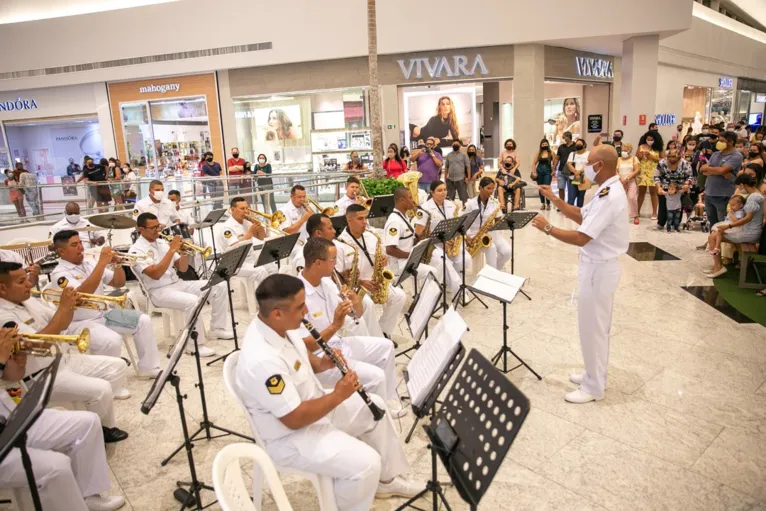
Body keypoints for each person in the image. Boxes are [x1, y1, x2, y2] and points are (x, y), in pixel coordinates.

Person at [236, 274, 421, 510]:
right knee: (367, 463)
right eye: (300, 307)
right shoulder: (262, 361)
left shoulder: (276, 324)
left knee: (376, 406)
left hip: (312, 406)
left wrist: (324, 364)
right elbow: (294, 419)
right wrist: (337, 396)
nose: (305, 312)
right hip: (290, 437)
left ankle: (385, 482)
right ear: (277, 313)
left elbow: (299, 349)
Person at [530, 145, 628, 403]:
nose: (583, 166)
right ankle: (593, 374)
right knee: (592, 327)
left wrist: (548, 228)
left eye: (589, 162)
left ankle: (594, 387)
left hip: (599, 268)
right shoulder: (604, 190)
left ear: (600, 166)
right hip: (596, 266)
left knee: (593, 328)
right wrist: (554, 199)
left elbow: (583, 236)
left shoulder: (611, 196)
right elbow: (582, 216)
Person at [0, 261, 130, 441]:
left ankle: (95, 422)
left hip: (62, 359)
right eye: (21, 281)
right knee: (102, 389)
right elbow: (40, 344)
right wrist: (63, 307)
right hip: (41, 376)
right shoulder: (3, 317)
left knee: (118, 367)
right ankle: (98, 431)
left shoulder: (28, 300)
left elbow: (63, 324)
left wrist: (70, 306)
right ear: (2, 289)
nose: (29, 283)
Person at [0, 327, 125, 511]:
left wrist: (15, 365)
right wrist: (1, 360)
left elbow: (11, 378)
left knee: (89, 423)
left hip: (12, 415)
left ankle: (90, 495)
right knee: (57, 467)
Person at [297, 238, 403, 413]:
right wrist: (334, 326)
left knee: (386, 347)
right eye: (333, 260)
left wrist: (356, 302)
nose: (336, 265)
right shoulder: (297, 295)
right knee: (376, 377)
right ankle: (376, 415)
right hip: (319, 359)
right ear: (317, 262)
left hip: (337, 344)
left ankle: (388, 399)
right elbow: (304, 345)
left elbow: (355, 316)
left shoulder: (327, 283)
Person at [49, 232, 161, 378]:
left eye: (81, 243)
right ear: (61, 251)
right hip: (79, 323)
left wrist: (117, 265)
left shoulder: (89, 264)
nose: (80, 248)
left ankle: (148, 368)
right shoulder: (59, 275)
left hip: (103, 314)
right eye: (74, 245)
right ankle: (111, 381)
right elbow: (81, 296)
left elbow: (117, 282)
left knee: (143, 320)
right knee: (112, 340)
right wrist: (102, 263)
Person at [129, 212, 232, 357]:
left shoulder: (162, 242)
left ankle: (217, 328)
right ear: (141, 229)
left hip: (177, 283)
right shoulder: (136, 250)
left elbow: (182, 268)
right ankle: (194, 345)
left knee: (219, 285)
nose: (157, 230)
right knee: (192, 301)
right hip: (158, 292)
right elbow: (156, 274)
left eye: (158, 226)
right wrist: (172, 250)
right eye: (152, 228)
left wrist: (184, 252)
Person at [295, 213, 384, 340]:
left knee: (364, 308)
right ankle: (367, 342)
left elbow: (328, 276)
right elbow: (313, 282)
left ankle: (374, 340)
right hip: (322, 302)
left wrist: (344, 276)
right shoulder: (303, 257)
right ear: (318, 233)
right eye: (330, 228)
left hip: (334, 292)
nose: (334, 231)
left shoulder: (328, 248)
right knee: (360, 316)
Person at [340, 205, 407, 339]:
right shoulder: (341, 243)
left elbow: (383, 257)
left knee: (399, 296)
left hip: (375, 281)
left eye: (365, 218)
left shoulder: (372, 236)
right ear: (349, 220)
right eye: (360, 218)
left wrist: (384, 260)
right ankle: (375, 338)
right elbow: (339, 276)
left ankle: (383, 331)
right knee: (368, 305)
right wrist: (360, 282)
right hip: (356, 287)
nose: (365, 222)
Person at [705, 173, 764, 278]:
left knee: (713, 237)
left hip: (750, 233)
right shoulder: (755, 195)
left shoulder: (754, 197)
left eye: (738, 187)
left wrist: (729, 226)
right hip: (748, 229)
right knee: (713, 235)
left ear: (742, 185)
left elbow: (748, 218)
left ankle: (718, 267)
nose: (738, 189)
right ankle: (717, 266)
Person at [383, 187, 443, 289]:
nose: (413, 201)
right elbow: (390, 250)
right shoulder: (394, 222)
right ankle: (425, 301)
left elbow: (407, 241)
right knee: (432, 272)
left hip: (408, 259)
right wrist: (413, 256)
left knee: (440, 262)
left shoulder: (404, 216)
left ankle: (426, 295)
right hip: (400, 264)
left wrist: (420, 239)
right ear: (402, 200)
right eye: (410, 198)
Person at [414, 181, 465, 294]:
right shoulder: (424, 208)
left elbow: (458, 224)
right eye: (439, 190)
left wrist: (454, 238)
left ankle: (450, 284)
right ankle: (458, 290)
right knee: (444, 261)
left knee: (465, 259)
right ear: (432, 193)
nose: (443, 193)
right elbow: (418, 234)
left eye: (445, 189)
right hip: (433, 245)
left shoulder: (452, 205)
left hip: (449, 242)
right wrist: (437, 240)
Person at [217, 197, 277, 289]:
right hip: (235, 263)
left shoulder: (246, 222)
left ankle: (275, 294)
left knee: (272, 266)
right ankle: (264, 299)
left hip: (250, 259)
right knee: (261, 271)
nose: (246, 211)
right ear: (232, 210)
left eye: (247, 208)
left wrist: (260, 227)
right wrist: (250, 231)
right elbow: (236, 248)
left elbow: (262, 238)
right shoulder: (227, 228)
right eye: (242, 209)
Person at [463, 177, 512, 270]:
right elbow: (462, 223)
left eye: (493, 189)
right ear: (480, 188)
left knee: (507, 252)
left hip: (492, 233)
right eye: (488, 188)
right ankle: (492, 276)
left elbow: (498, 221)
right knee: (492, 248)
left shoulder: (495, 202)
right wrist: (466, 238)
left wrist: (494, 226)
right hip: (475, 234)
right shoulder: (470, 204)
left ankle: (495, 271)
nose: (491, 191)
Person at [700, 131, 743, 226]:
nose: (719, 143)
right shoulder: (716, 154)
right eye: (719, 140)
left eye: (722, 141)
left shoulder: (736, 156)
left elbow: (722, 170)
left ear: (731, 142)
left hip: (723, 195)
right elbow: (702, 170)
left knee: (722, 223)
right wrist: (717, 171)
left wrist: (712, 169)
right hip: (709, 193)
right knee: (712, 223)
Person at [653, 148, 692, 231]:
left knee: (678, 207)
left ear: (679, 157)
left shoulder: (685, 163)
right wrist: (659, 187)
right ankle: (661, 222)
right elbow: (656, 176)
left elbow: (689, 176)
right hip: (665, 187)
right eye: (669, 158)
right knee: (663, 205)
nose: (671, 160)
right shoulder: (662, 163)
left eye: (673, 158)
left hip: (679, 188)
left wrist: (686, 184)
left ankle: (676, 224)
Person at [636, 131, 663, 220]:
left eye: (651, 139)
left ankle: (654, 212)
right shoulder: (641, 147)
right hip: (643, 171)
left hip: (654, 171)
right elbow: (636, 159)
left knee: (653, 192)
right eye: (648, 139)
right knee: (641, 192)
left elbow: (663, 161)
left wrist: (652, 157)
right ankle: (637, 211)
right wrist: (640, 156)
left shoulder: (659, 148)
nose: (649, 141)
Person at [279, 185, 314, 252]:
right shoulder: (283, 211)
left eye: (304, 196)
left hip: (306, 241)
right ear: (291, 197)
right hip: (293, 246)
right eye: (299, 197)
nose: (302, 199)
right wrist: (303, 219)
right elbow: (287, 232)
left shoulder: (303, 207)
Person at [617, 143, 640, 224]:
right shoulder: (618, 159)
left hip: (631, 180)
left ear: (630, 151)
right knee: (619, 199)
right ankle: (619, 216)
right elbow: (615, 170)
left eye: (626, 150)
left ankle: (635, 216)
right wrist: (621, 179)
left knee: (632, 197)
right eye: (622, 150)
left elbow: (637, 170)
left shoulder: (634, 158)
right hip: (620, 181)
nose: (623, 152)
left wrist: (627, 179)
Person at [553, 131, 576, 204]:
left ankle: (570, 204)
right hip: (561, 170)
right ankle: (562, 204)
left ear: (568, 137)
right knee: (561, 188)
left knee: (570, 189)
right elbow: (557, 158)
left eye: (564, 137)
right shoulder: (561, 147)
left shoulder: (575, 147)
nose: (562, 138)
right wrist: (554, 168)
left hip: (571, 171)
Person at [566, 139, 590, 207]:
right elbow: (569, 164)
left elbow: (588, 164)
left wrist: (579, 172)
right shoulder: (572, 154)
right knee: (571, 198)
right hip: (572, 178)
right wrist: (576, 172)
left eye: (579, 144)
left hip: (583, 179)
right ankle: (570, 213)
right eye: (577, 144)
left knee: (580, 197)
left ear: (584, 145)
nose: (578, 146)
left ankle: (579, 212)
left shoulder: (588, 154)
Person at [532, 139, 554, 210]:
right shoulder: (539, 153)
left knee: (547, 187)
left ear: (548, 144)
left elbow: (555, 162)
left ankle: (548, 204)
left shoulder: (551, 153)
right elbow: (534, 163)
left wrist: (554, 170)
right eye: (543, 144)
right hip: (539, 172)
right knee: (540, 188)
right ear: (541, 145)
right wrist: (534, 172)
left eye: (545, 144)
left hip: (548, 172)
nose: (544, 145)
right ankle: (543, 203)